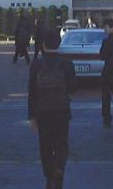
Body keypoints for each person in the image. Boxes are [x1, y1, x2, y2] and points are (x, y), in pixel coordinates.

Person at [28, 29, 76, 189]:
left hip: (42, 110)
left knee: (45, 145)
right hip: (62, 109)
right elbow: (73, 88)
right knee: (61, 143)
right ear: (59, 43)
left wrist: (31, 116)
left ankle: (49, 175)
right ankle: (60, 169)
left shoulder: (37, 64)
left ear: (43, 44)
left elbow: (32, 91)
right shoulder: (66, 63)